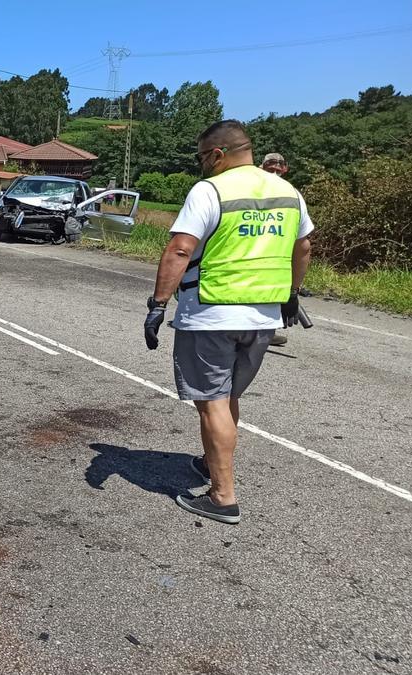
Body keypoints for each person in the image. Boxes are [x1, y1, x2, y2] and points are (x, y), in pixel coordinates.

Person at [143, 120, 313, 525]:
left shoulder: (211, 189)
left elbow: (181, 249)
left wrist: (158, 303)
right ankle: (209, 462)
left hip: (212, 312)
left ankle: (222, 496)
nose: (202, 165)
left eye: (203, 157)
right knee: (227, 396)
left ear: (217, 154)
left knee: (212, 401)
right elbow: (303, 246)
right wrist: (291, 294)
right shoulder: (287, 191)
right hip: (264, 315)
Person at [260, 152, 292, 347]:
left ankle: (267, 330)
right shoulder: (253, 185)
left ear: (285, 169)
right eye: (270, 166)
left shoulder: (289, 191)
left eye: (279, 167)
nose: (275, 170)